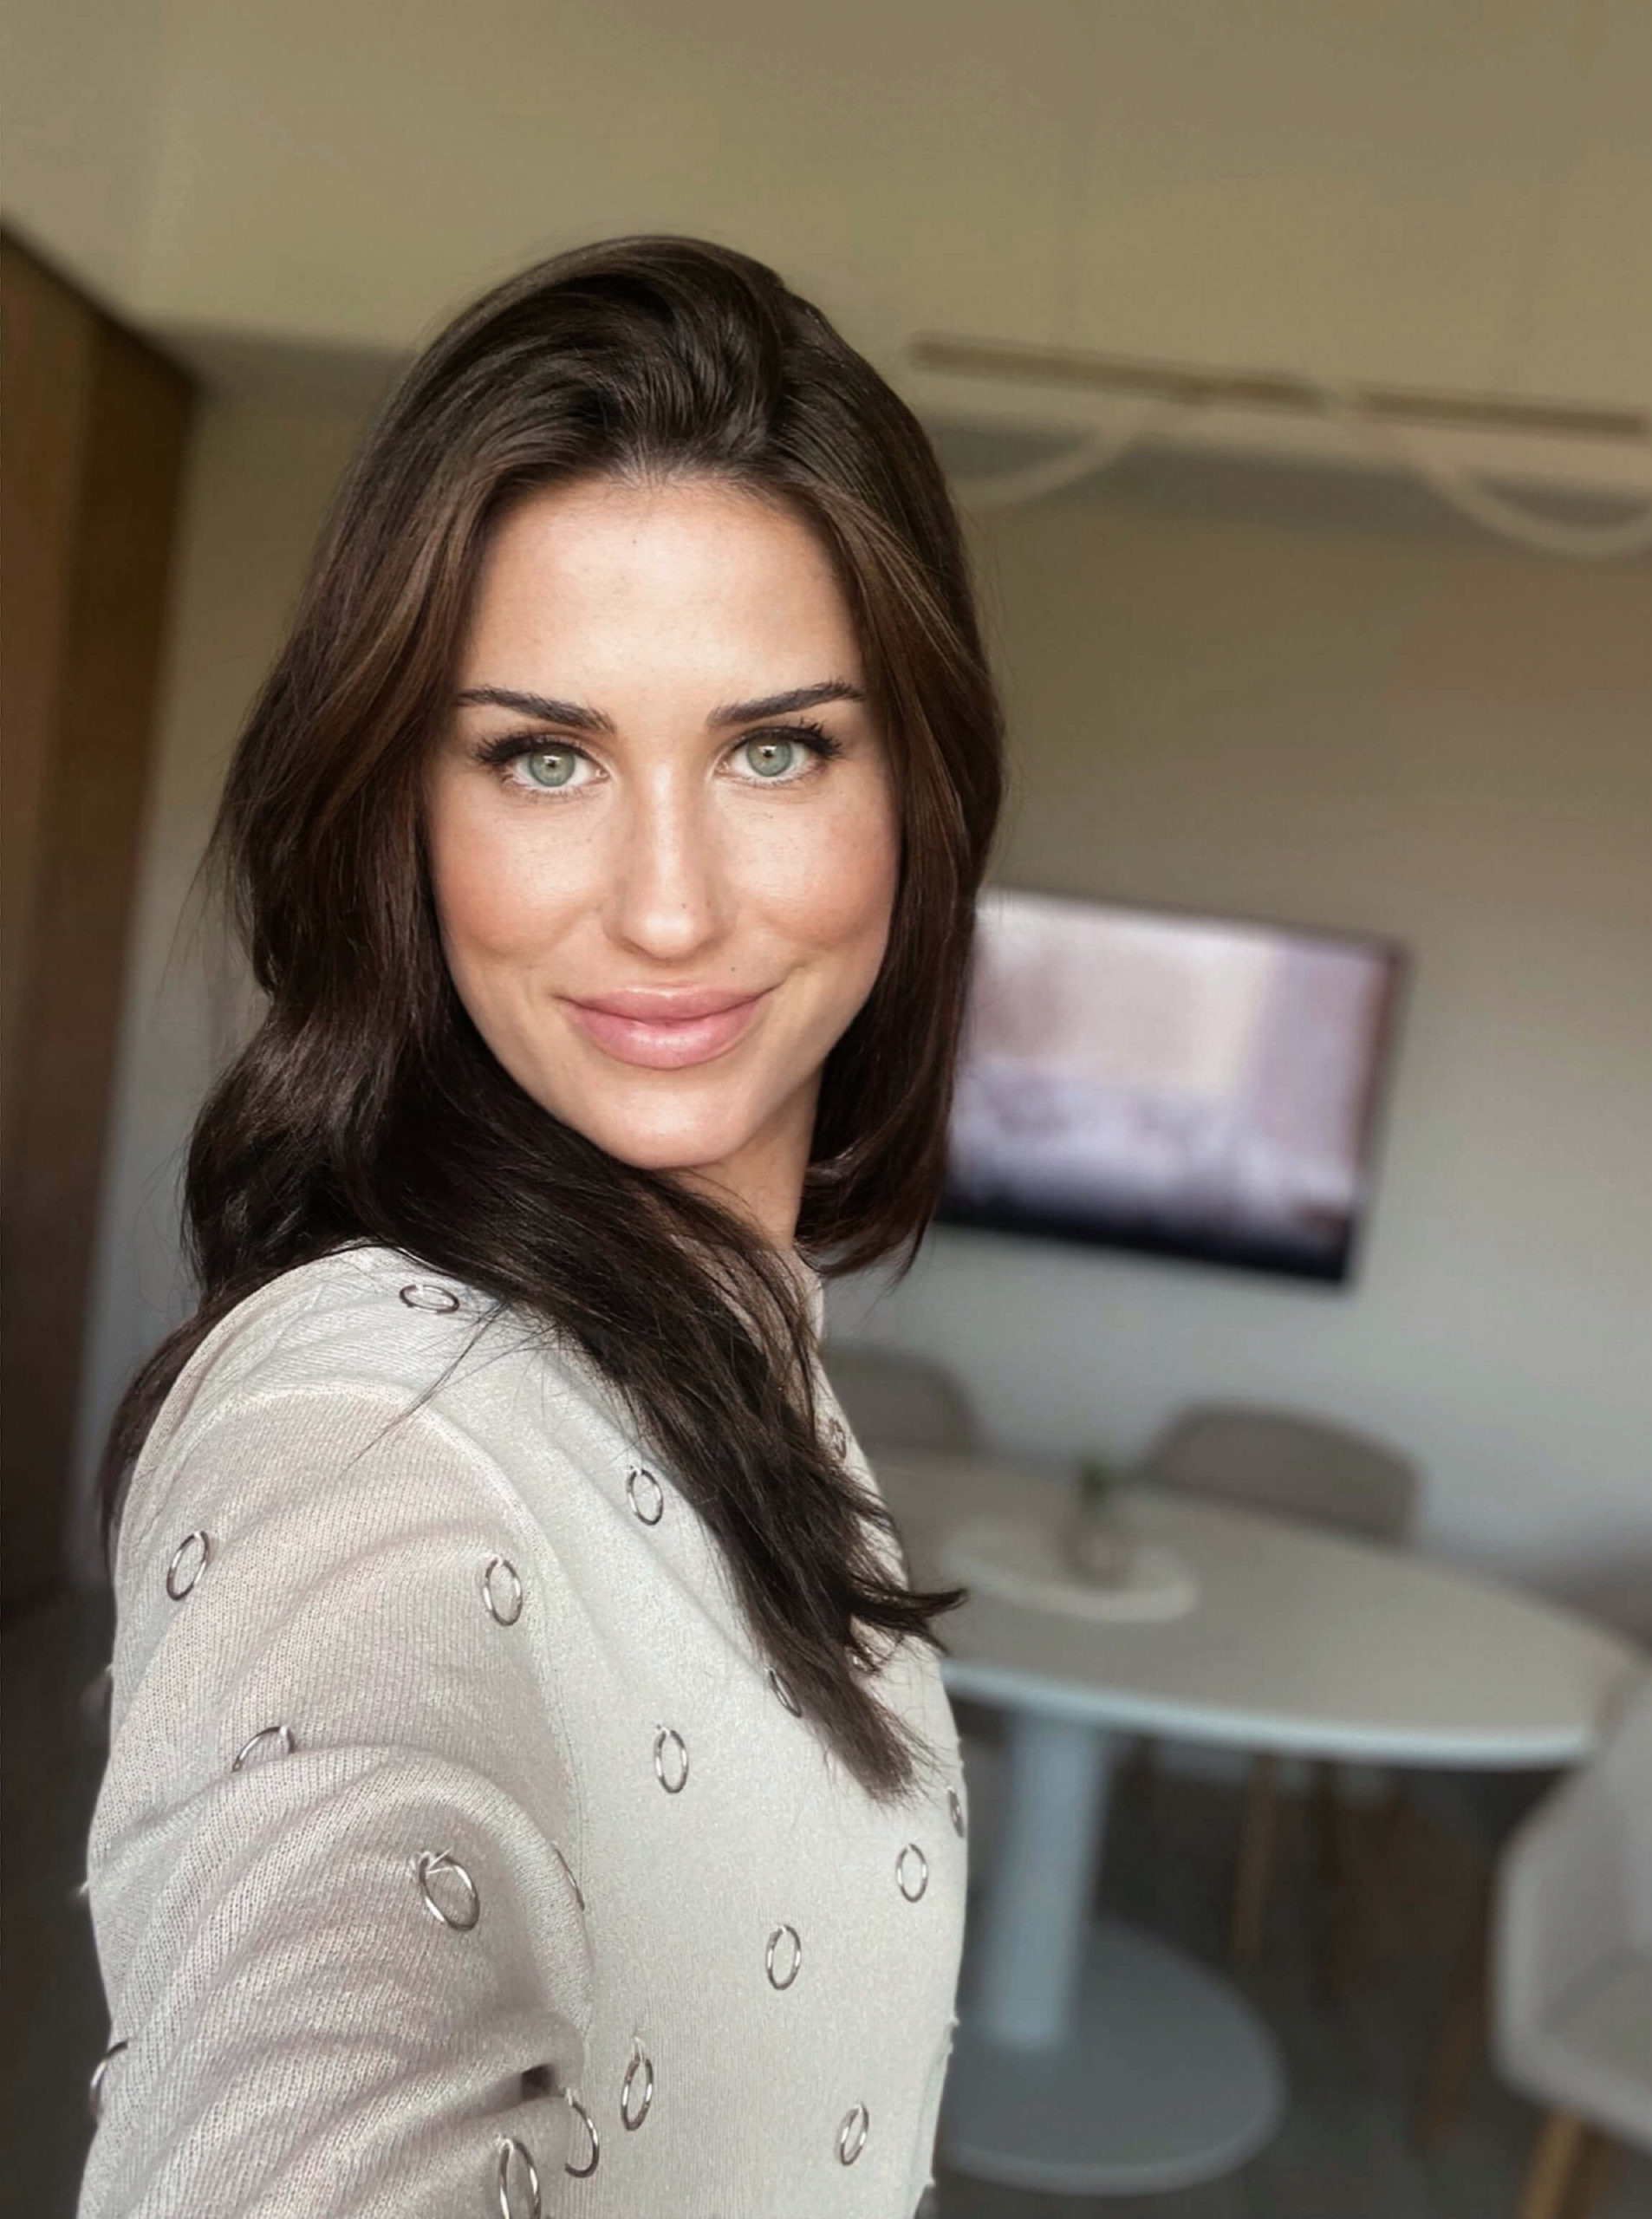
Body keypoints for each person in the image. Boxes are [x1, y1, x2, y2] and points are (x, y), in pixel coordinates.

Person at [79, 235, 1005, 2219]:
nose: (668, 905)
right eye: (544, 754)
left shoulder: (733, 1334)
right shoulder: (365, 1427)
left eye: (775, 746)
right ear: (402, 814)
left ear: (916, 799)